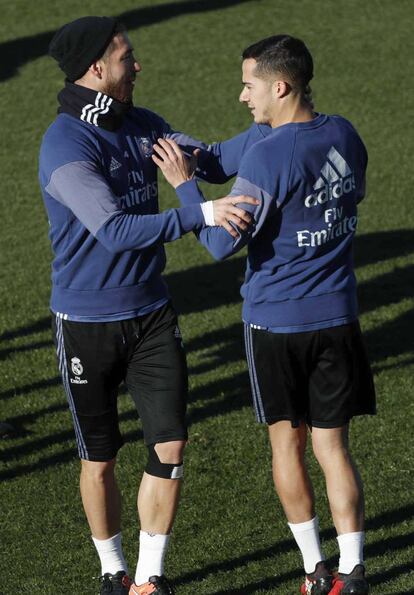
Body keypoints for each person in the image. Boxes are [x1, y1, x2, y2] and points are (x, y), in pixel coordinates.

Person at [39, 16, 260, 595]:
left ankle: (147, 577)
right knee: (101, 458)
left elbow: (207, 159)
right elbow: (113, 229)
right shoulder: (65, 144)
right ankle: (112, 569)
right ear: (96, 69)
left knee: (170, 445)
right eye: (126, 57)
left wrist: (278, 128)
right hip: (86, 323)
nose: (138, 66)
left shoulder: (143, 124)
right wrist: (201, 214)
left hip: (153, 314)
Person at [154, 35, 376, 595]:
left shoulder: (269, 155)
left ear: (280, 86)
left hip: (276, 323)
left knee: (287, 445)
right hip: (339, 317)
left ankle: (312, 569)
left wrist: (184, 185)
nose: (241, 95)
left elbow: (218, 245)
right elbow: (354, 195)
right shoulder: (344, 132)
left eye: (249, 85)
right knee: (333, 448)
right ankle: (352, 573)